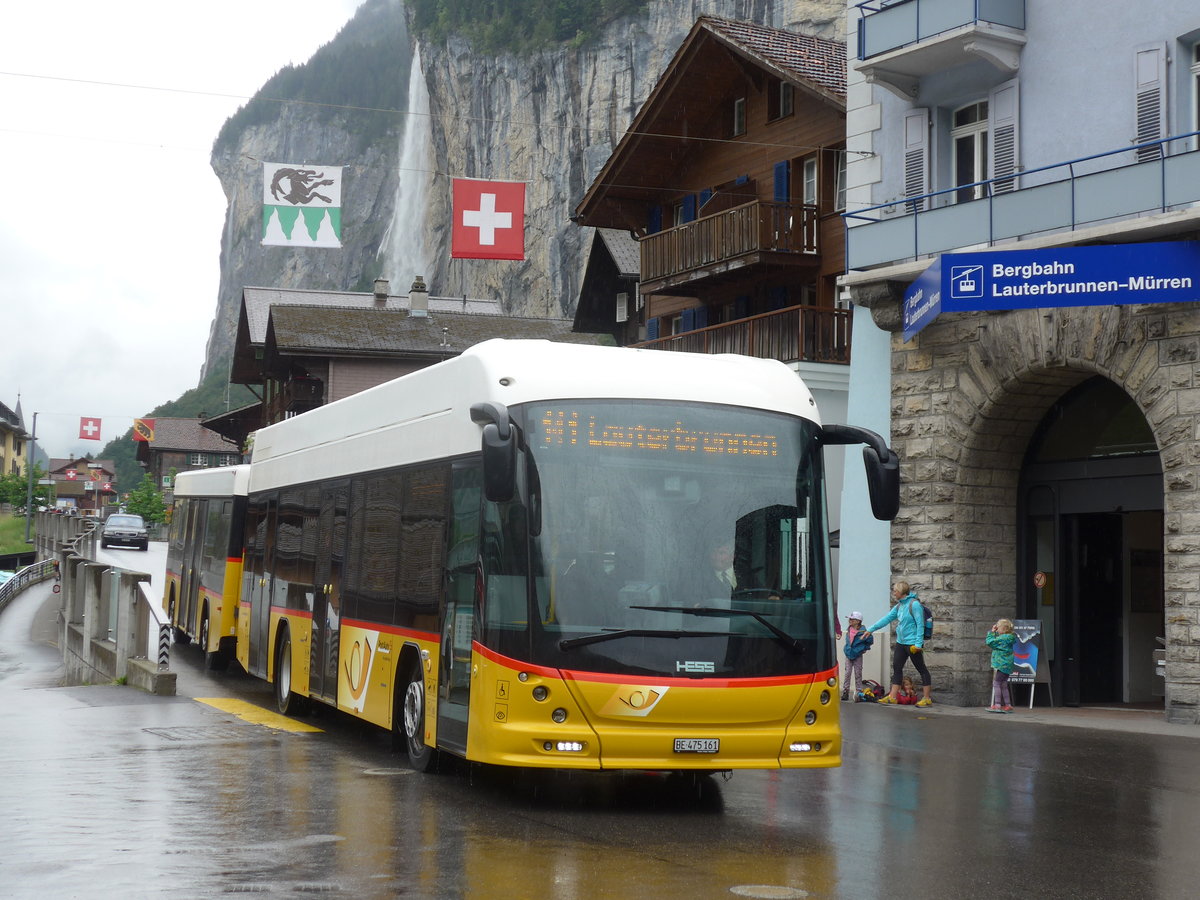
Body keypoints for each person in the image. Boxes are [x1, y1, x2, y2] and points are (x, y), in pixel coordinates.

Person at [862, 581, 933, 707]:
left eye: (895, 591)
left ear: (901, 592)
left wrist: (918, 644)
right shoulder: (899, 606)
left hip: (912, 644)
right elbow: (887, 618)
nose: (893, 593)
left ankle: (927, 698)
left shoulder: (914, 604)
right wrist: (870, 629)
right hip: (901, 642)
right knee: (897, 667)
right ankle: (892, 697)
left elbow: (920, 624)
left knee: (921, 668)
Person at [986, 618, 1016, 713]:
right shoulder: (1009, 638)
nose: (997, 629)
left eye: (998, 627)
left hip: (1000, 664)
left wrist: (991, 633)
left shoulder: (1002, 638)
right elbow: (997, 641)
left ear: (1003, 629)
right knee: (1003, 685)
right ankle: (1008, 705)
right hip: (1007, 665)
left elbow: (990, 642)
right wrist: (995, 633)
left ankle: (997, 704)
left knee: (996, 683)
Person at [841, 611, 871, 700]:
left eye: (852, 619)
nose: (850, 620)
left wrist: (865, 648)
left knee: (858, 673)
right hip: (848, 654)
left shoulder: (863, 631)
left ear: (858, 621)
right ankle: (845, 691)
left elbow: (869, 640)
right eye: (849, 619)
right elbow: (848, 641)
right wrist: (846, 649)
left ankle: (858, 692)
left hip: (857, 655)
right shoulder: (849, 629)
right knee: (847, 673)